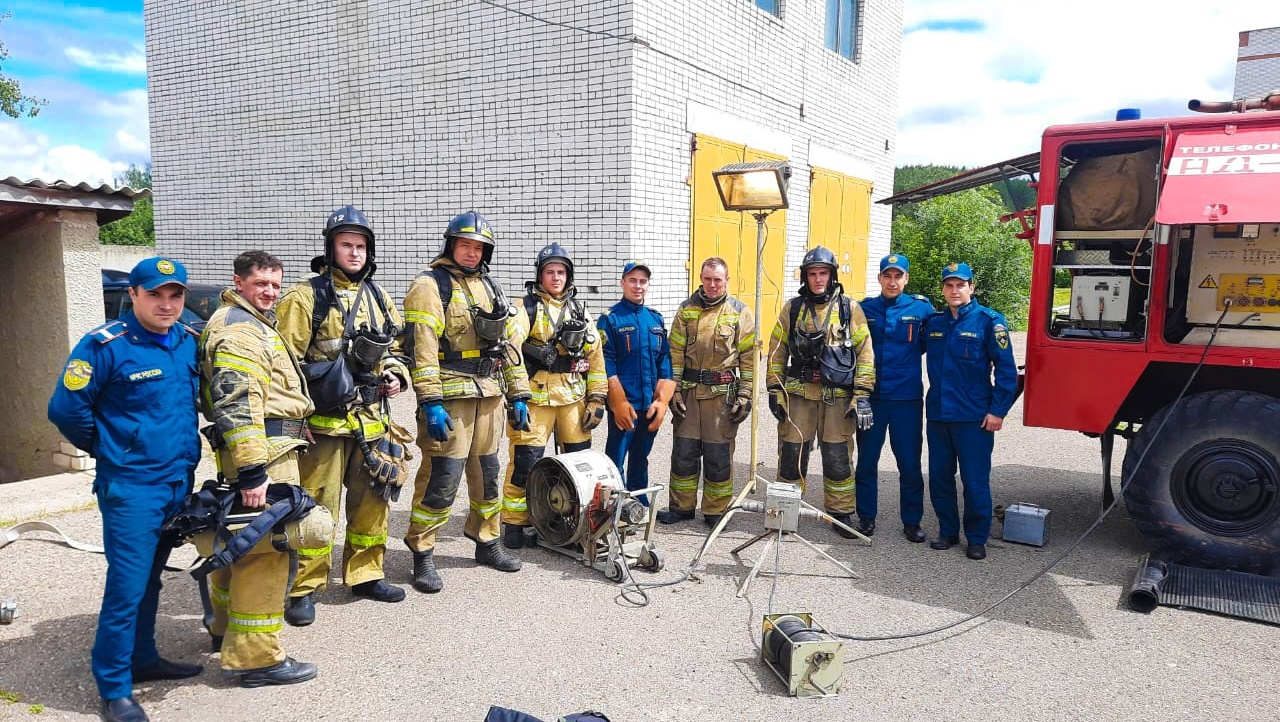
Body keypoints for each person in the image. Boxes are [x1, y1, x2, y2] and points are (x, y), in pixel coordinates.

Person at [49, 257, 203, 722]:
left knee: (153, 578)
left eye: (174, 294)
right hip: (132, 486)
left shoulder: (186, 341)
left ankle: (144, 657)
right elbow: (65, 410)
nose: (166, 303)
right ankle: (114, 688)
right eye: (155, 293)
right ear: (132, 294)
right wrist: (112, 448)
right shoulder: (104, 345)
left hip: (177, 481)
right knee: (126, 587)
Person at [275, 206, 410, 626]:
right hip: (324, 426)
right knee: (316, 511)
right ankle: (305, 587)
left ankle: (366, 574)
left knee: (373, 505)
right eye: (346, 244)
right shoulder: (304, 297)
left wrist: (394, 375)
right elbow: (285, 366)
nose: (354, 252)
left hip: (372, 421)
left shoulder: (379, 296)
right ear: (330, 248)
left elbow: (397, 348)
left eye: (361, 246)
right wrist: (295, 430)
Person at [199, 250, 319, 686]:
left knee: (239, 545)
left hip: (265, 448)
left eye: (274, 284)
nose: (269, 292)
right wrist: (253, 472)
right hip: (264, 456)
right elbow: (236, 400)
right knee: (267, 553)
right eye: (260, 284)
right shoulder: (242, 330)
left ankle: (222, 628)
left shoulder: (247, 321)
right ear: (239, 281)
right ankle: (257, 660)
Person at [402, 210, 532, 593]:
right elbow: (421, 348)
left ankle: (486, 540)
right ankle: (422, 550)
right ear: (451, 245)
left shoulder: (491, 286)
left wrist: (519, 393)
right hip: (450, 396)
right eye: (465, 245)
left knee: (488, 475)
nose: (472, 253)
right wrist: (430, 401)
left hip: (488, 395)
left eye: (479, 247)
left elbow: (507, 347)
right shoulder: (430, 285)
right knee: (442, 477)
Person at [500, 243, 608, 549]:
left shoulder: (580, 311)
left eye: (561, 272)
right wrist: (517, 395)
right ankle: (514, 523)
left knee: (579, 464)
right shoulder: (525, 308)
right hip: (536, 399)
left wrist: (597, 399)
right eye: (550, 272)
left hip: (573, 400)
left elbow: (596, 357)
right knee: (524, 462)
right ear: (540, 275)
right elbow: (511, 353)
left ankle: (573, 519)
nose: (556, 277)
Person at [765, 246, 875, 536]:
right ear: (805, 276)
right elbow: (776, 351)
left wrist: (862, 395)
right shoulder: (793, 308)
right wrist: (775, 389)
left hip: (837, 399)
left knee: (838, 457)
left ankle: (840, 514)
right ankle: (785, 513)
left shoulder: (849, 309)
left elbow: (865, 354)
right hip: (799, 396)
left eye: (823, 273)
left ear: (832, 275)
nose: (817, 279)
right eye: (812, 274)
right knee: (791, 455)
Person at [921, 262, 1018, 560]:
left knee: (975, 481)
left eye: (960, 285)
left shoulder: (989, 322)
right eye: (949, 285)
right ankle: (948, 531)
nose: (954, 290)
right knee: (939, 478)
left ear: (971, 288)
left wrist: (998, 410)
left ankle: (976, 537)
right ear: (942, 290)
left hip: (974, 418)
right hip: (938, 415)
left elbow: (1007, 370)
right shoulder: (934, 323)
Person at [658, 257, 754, 527]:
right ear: (701, 278)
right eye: (708, 279)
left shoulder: (739, 312)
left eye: (718, 280)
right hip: (688, 395)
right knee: (684, 454)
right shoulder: (686, 310)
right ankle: (681, 507)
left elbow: (748, 358)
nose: (712, 285)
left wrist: (745, 396)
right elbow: (674, 354)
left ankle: (716, 511)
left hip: (721, 399)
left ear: (727, 281)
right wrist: (673, 393)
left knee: (718, 456)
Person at [853, 254, 935, 542]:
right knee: (866, 462)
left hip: (906, 401)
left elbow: (928, 345)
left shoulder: (922, 309)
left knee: (910, 464)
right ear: (879, 278)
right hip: (872, 399)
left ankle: (911, 521)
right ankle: (866, 517)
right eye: (887, 276)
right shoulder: (864, 309)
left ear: (906, 279)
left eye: (898, 276)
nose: (892, 281)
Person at [596, 260, 675, 504]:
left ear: (648, 285)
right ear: (622, 283)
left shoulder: (655, 320)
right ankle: (615, 507)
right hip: (625, 406)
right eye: (632, 280)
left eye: (642, 281)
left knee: (641, 457)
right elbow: (605, 362)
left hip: (648, 405)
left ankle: (638, 505)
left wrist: (662, 402)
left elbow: (664, 360)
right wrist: (616, 401)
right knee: (615, 459)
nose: (638, 286)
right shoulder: (610, 319)